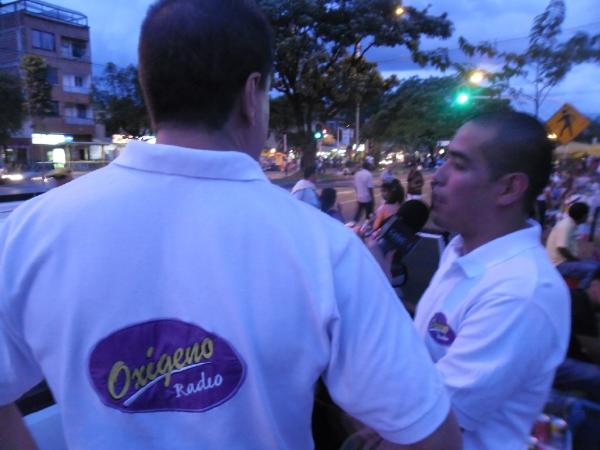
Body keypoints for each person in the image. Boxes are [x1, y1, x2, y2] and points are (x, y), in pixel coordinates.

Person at [0, 1, 461, 449]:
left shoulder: (29, 231)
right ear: (250, 95)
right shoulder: (325, 249)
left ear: (149, 89)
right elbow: (429, 436)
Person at [412, 112, 570, 450]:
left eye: (459, 165)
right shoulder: (459, 251)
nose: (437, 177)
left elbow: (424, 430)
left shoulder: (521, 293)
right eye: (444, 160)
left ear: (509, 187)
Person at [546, 202, 600, 288]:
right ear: (583, 216)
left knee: (596, 264)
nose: (588, 216)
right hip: (559, 264)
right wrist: (574, 259)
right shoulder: (567, 226)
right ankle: (580, 292)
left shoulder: (570, 223)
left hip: (562, 261)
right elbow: (561, 247)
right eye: (587, 214)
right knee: (594, 268)